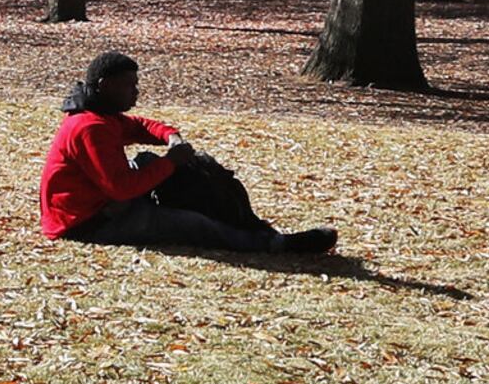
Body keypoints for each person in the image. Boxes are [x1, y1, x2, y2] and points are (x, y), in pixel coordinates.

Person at [38, 52, 337, 256]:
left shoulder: (103, 114)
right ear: (105, 86)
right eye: (129, 85)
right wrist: (171, 162)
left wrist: (171, 137)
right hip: (87, 221)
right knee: (192, 224)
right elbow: (121, 188)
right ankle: (274, 244)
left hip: (101, 202)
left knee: (156, 164)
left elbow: (140, 126)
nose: (136, 92)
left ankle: (248, 223)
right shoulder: (90, 128)